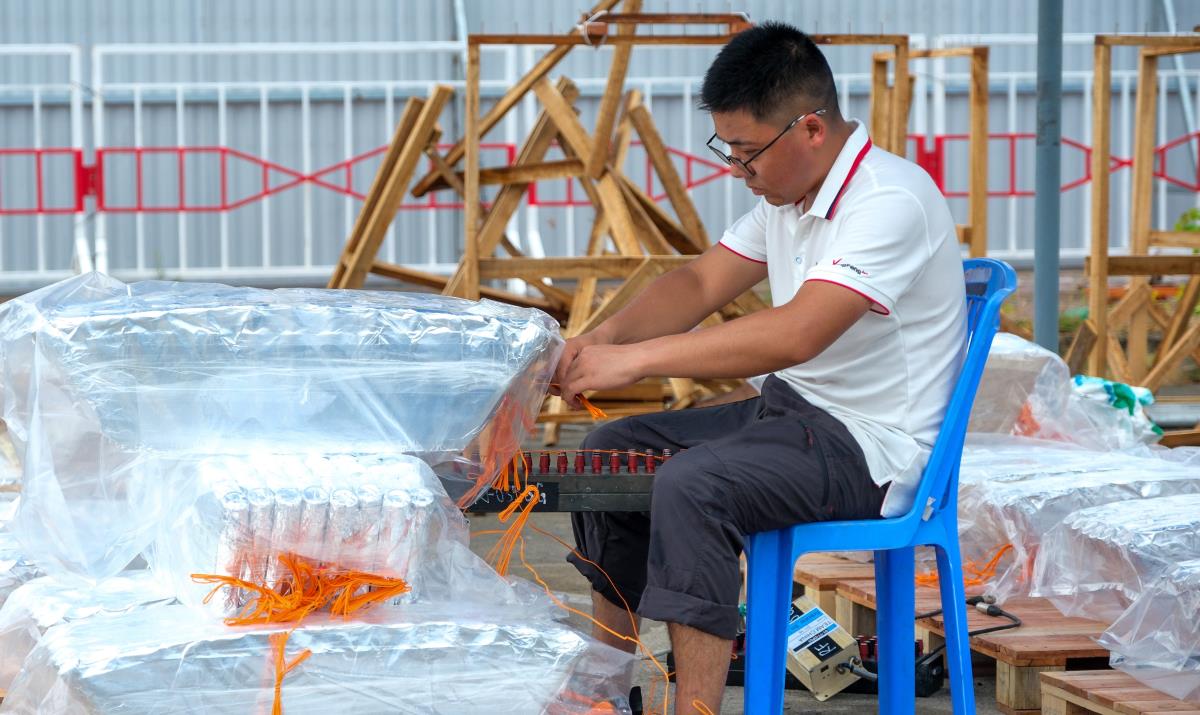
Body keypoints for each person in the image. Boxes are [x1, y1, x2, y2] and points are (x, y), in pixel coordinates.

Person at [551, 21, 967, 713]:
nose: (737, 169)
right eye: (728, 150)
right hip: (792, 418)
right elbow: (698, 283)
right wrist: (596, 341)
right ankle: (607, 690)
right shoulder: (789, 194)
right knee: (609, 453)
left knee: (694, 485)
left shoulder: (889, 198)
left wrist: (636, 361)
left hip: (872, 449)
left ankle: (696, 708)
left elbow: (797, 333)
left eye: (747, 152)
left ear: (811, 129)